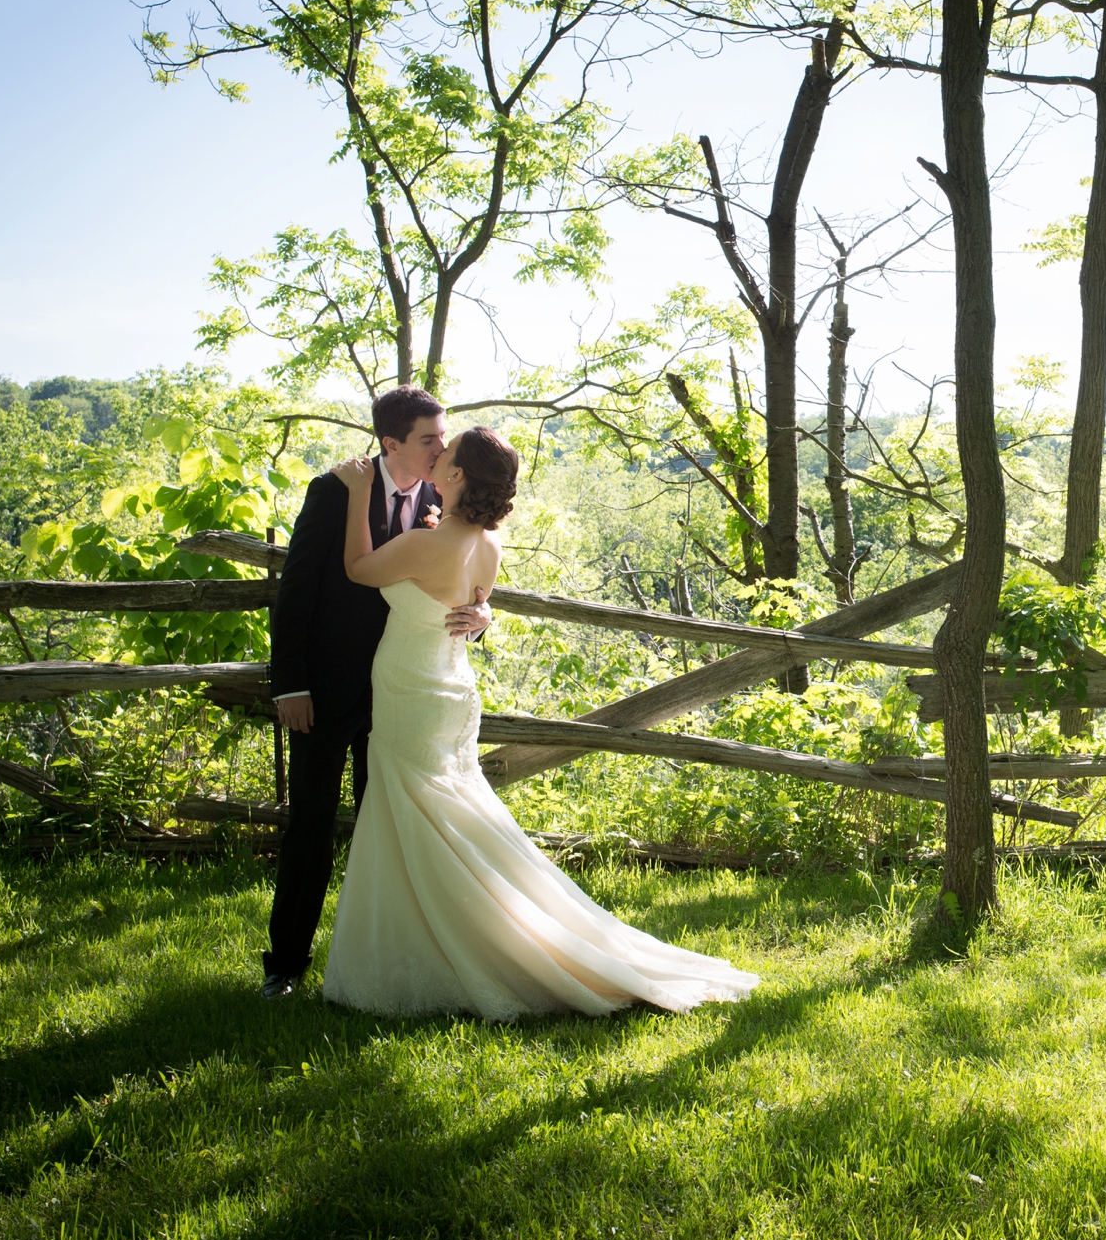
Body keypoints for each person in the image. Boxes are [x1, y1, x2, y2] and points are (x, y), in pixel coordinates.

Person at [319, 425, 758, 1018]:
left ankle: (442, 951)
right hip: (450, 689)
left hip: (413, 689)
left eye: (444, 454)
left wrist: (352, 493)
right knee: (448, 813)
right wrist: (482, 612)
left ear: (455, 477)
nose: (436, 456)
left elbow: (355, 568)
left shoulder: (431, 544)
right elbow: (469, 604)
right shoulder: (487, 544)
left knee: (416, 813)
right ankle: (455, 933)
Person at [261, 386, 491, 999]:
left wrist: (482, 615)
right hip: (326, 691)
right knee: (310, 824)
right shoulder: (335, 491)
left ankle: (384, 963)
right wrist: (292, 685)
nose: (440, 448)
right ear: (391, 444)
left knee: (384, 831)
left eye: (443, 437)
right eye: (428, 439)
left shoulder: (441, 506)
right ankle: (285, 965)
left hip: (401, 700)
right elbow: (297, 592)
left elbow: (462, 581)